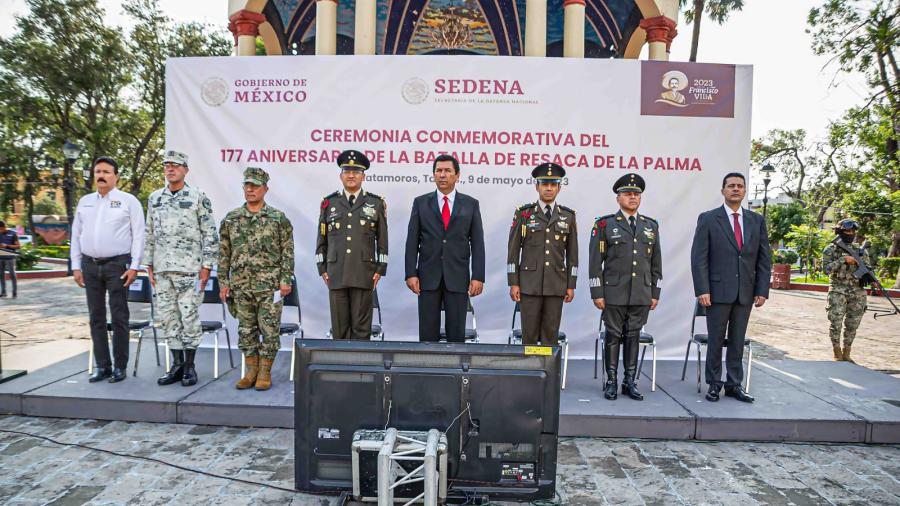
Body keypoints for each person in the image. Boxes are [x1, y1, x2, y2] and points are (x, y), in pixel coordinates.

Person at [690, 172, 771, 403]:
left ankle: (734, 385)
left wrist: (761, 289)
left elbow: (764, 258)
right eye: (731, 186)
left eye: (740, 186)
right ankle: (714, 384)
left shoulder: (756, 221)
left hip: (745, 292)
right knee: (716, 340)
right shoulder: (708, 219)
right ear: (723, 190)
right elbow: (699, 258)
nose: (735, 189)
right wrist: (702, 289)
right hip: (716, 292)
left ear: (745, 191)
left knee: (737, 340)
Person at [144, 150, 219, 387]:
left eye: (176, 165)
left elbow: (210, 233)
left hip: (190, 271)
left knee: (189, 318)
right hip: (162, 269)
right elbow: (149, 233)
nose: (170, 169)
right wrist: (149, 263)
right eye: (167, 165)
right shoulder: (155, 198)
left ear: (185, 170)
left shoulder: (198, 197)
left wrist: (207, 266)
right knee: (168, 318)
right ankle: (175, 365)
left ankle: (189, 367)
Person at [71, 156, 145, 383]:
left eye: (106, 172)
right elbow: (76, 235)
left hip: (117, 266)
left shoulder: (128, 201)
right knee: (96, 317)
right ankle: (103, 366)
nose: (101, 176)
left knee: (119, 316)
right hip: (90, 265)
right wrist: (76, 265)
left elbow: (139, 235)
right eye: (98, 172)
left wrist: (134, 266)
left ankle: (119, 367)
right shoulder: (85, 201)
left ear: (116, 176)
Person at [219, 167, 294, 391]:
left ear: (265, 189)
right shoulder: (232, 219)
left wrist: (286, 279)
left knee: (269, 329)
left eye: (255, 186)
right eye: (247, 185)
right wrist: (223, 282)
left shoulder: (277, 218)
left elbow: (287, 251)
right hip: (241, 286)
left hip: (269, 286)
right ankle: (251, 370)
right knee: (246, 329)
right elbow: (223, 253)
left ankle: (264, 372)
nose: (250, 189)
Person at [588, 173, 661, 401]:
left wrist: (654, 292)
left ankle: (630, 381)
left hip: (641, 292)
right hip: (613, 292)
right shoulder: (604, 224)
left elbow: (656, 263)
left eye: (636, 194)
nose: (633, 197)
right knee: (613, 336)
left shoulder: (650, 226)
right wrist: (597, 292)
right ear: (618, 198)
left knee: (633, 336)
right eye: (628, 194)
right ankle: (611, 381)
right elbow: (594, 262)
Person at [405, 154, 485, 342]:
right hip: (427, 277)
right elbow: (412, 241)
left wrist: (478, 276)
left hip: (457, 276)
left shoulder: (471, 204)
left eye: (447, 171)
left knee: (456, 334)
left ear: (457, 175)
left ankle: (455, 371)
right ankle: (427, 368)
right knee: (427, 333)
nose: (442, 175)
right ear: (433, 175)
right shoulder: (421, 203)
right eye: (438, 171)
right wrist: (411, 273)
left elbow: (478, 243)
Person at [316, 150, 388, 340]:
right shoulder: (328, 203)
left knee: (361, 329)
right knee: (339, 330)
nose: (351, 175)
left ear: (363, 176)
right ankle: (340, 369)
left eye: (356, 171)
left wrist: (380, 268)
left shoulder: (375, 203)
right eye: (346, 171)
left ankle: (361, 369)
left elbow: (382, 240)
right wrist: (322, 267)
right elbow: (321, 241)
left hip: (364, 272)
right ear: (340, 175)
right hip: (336, 272)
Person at [507, 163, 578, 345]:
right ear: (537, 186)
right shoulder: (524, 214)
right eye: (544, 184)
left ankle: (548, 374)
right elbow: (513, 251)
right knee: (528, 336)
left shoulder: (568, 216)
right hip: (529, 285)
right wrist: (513, 282)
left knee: (550, 336)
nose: (548, 188)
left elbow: (573, 255)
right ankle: (529, 373)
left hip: (556, 285)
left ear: (559, 188)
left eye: (553, 184)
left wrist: (571, 285)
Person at [822, 219, 876, 363]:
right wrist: (843, 260)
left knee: (853, 323)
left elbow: (868, 268)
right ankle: (836, 351)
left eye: (853, 231)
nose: (851, 234)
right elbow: (826, 270)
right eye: (847, 231)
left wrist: (870, 277)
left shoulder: (860, 250)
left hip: (857, 291)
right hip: (838, 289)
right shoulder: (830, 249)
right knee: (836, 322)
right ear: (839, 232)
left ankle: (847, 352)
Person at [0, 221, 20, 298]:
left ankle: (14, 293)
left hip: (10, 257)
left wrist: (7, 245)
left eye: (1, 229)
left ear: (5, 227)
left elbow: (18, 246)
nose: (0, 231)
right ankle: (3, 292)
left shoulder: (13, 233)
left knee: (12, 274)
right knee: (1, 275)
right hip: (0, 257)